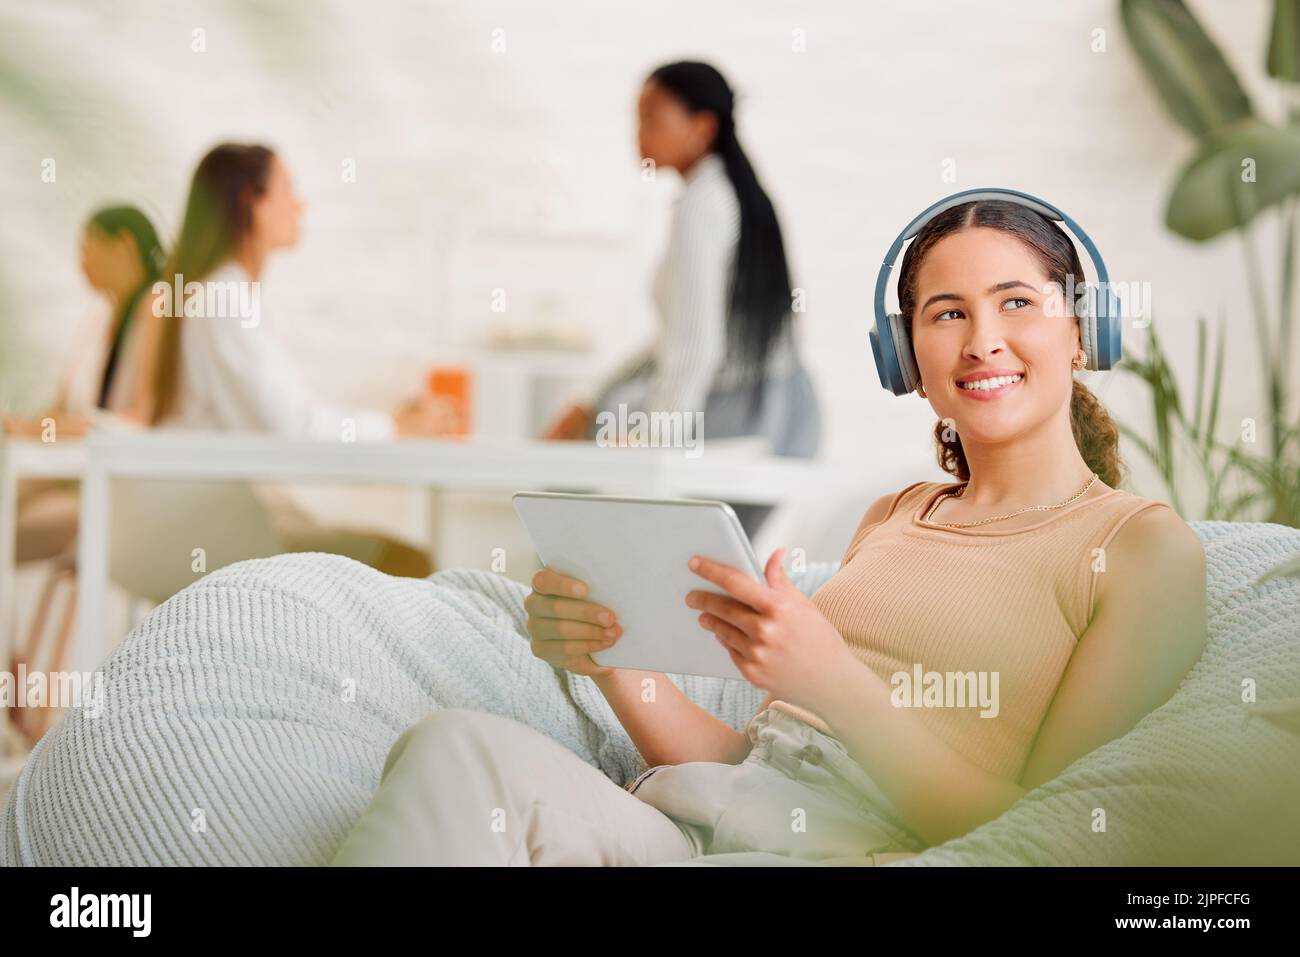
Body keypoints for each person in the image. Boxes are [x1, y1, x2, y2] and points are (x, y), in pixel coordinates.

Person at [332, 199, 1208, 865]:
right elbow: (750, 766)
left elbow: (1049, 837)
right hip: (715, 823)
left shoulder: (1141, 551)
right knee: (455, 746)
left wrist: (830, 677)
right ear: (907, 362)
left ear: (1084, 329)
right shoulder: (896, 516)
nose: (983, 340)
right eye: (947, 313)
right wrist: (613, 663)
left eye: (1016, 302)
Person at [148, 143, 455, 577]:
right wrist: (395, 429)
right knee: (409, 564)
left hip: (197, 521)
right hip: (211, 532)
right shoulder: (225, 300)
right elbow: (291, 432)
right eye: (288, 189)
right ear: (251, 204)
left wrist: (391, 428)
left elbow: (284, 425)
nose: (300, 203)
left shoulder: (210, 295)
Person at [542, 61, 821, 539]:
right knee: (707, 561)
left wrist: (654, 446)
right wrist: (591, 399)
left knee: (613, 499)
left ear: (702, 127)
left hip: (739, 413)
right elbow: (682, 339)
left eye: (652, 119)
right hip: (790, 413)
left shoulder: (701, 206)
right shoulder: (739, 196)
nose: (639, 135)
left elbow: (694, 349)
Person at [3, 205, 165, 563]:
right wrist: (31, 427)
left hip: (116, 478)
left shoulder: (157, 306)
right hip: (73, 465)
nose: (82, 262)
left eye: (88, 247)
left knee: (15, 515)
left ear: (123, 245)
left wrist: (44, 431)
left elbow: (140, 420)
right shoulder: (99, 317)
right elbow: (61, 406)